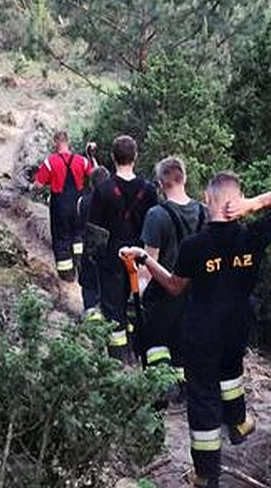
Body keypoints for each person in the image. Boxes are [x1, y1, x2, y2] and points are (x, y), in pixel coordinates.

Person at [119, 173, 271, 488]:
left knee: (202, 398)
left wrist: (145, 259)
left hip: (202, 332)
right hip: (237, 327)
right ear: (238, 199)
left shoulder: (195, 247)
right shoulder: (253, 236)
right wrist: (254, 205)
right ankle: (239, 423)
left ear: (206, 199)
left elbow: (174, 286)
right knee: (231, 375)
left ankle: (207, 475)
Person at [88, 135, 157, 358]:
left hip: (111, 256)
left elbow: (94, 229)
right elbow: (154, 226)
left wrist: (96, 258)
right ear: (135, 157)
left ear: (112, 157)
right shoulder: (149, 190)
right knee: (137, 306)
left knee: (112, 308)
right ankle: (139, 354)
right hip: (140, 256)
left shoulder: (103, 189)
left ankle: (117, 359)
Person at [140, 157, 205, 378]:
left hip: (163, 297)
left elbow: (149, 262)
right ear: (184, 178)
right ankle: (184, 391)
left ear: (160, 184)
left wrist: (139, 296)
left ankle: (162, 395)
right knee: (184, 352)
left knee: (157, 350)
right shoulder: (205, 213)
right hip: (196, 299)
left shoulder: (156, 216)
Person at [34, 131, 97, 281]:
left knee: (62, 237)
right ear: (68, 142)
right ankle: (81, 265)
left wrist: (33, 186)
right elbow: (95, 174)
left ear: (56, 142)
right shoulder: (81, 161)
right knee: (79, 234)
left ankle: (67, 275)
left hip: (60, 206)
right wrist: (91, 156)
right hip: (78, 205)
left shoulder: (50, 162)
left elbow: (38, 184)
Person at [77, 166, 110, 319]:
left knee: (89, 285)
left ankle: (91, 316)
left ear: (91, 184)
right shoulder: (114, 200)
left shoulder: (83, 201)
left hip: (89, 249)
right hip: (109, 250)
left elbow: (79, 223)